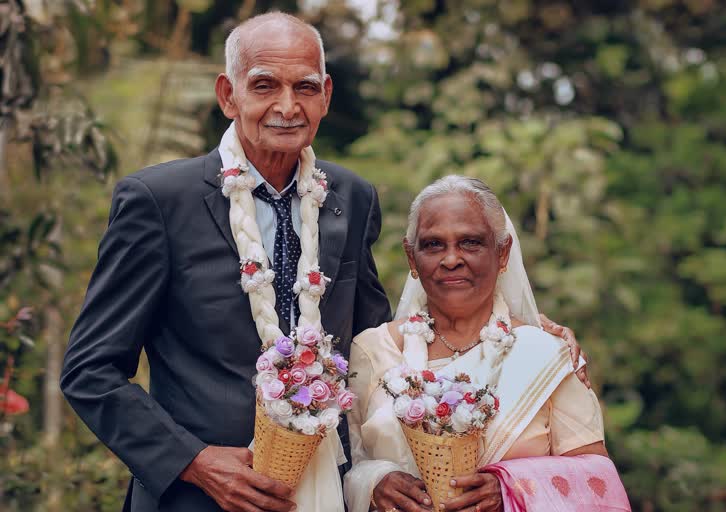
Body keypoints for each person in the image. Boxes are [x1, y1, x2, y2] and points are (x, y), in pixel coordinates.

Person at [61, 12, 589, 512]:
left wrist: (517, 329)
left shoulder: (351, 199)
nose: (287, 106)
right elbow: (90, 370)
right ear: (228, 94)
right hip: (198, 499)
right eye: (265, 85)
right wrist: (194, 463)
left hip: (329, 495)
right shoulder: (160, 201)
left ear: (326, 95)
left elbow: (380, 346)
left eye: (305, 87)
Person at [344, 176, 630, 512]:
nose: (451, 259)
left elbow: (598, 482)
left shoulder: (546, 355)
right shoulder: (372, 350)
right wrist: (375, 483)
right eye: (434, 245)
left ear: (503, 251)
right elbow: (342, 466)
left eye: (470, 243)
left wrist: (509, 488)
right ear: (412, 258)